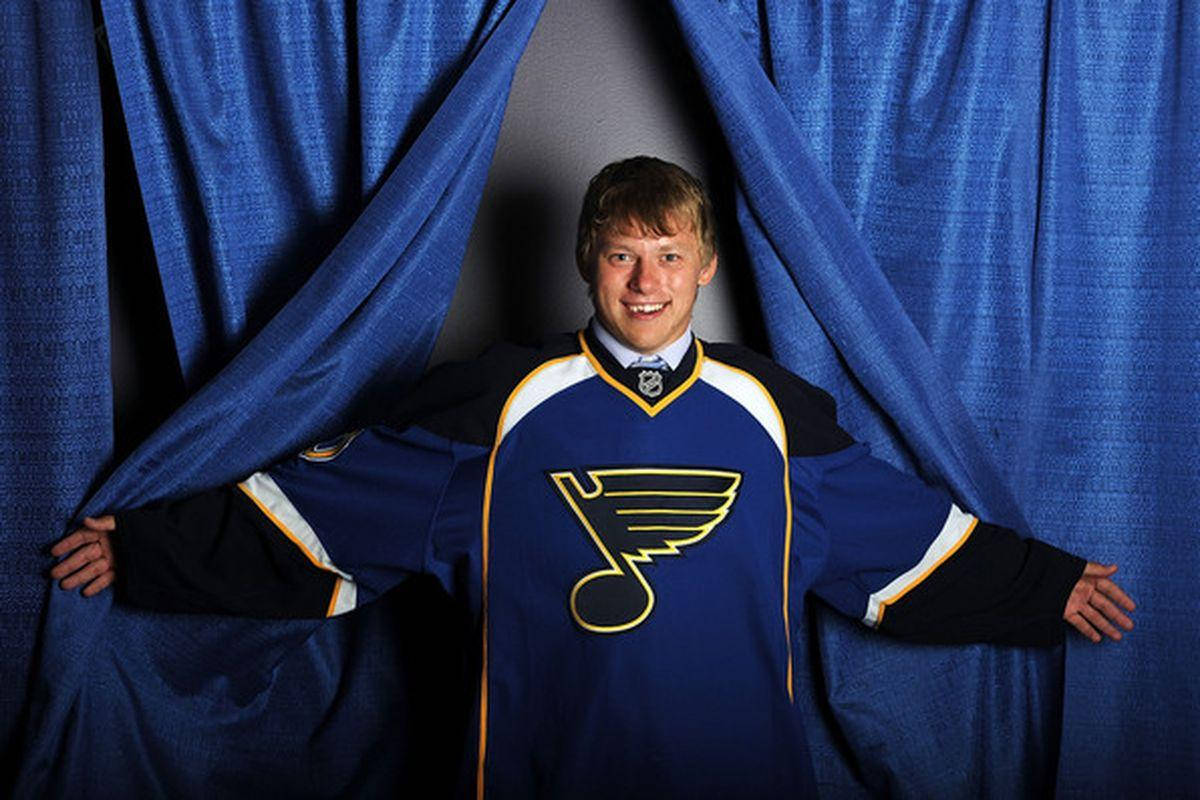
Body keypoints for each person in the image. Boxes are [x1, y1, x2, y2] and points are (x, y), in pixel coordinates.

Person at [51, 156, 1135, 798]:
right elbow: (321, 514)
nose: (646, 278)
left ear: (707, 264)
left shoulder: (772, 415)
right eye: (622, 253)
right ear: (587, 262)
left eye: (669, 253)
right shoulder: (496, 406)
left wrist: (1045, 583)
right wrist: (142, 546)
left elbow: (907, 537)